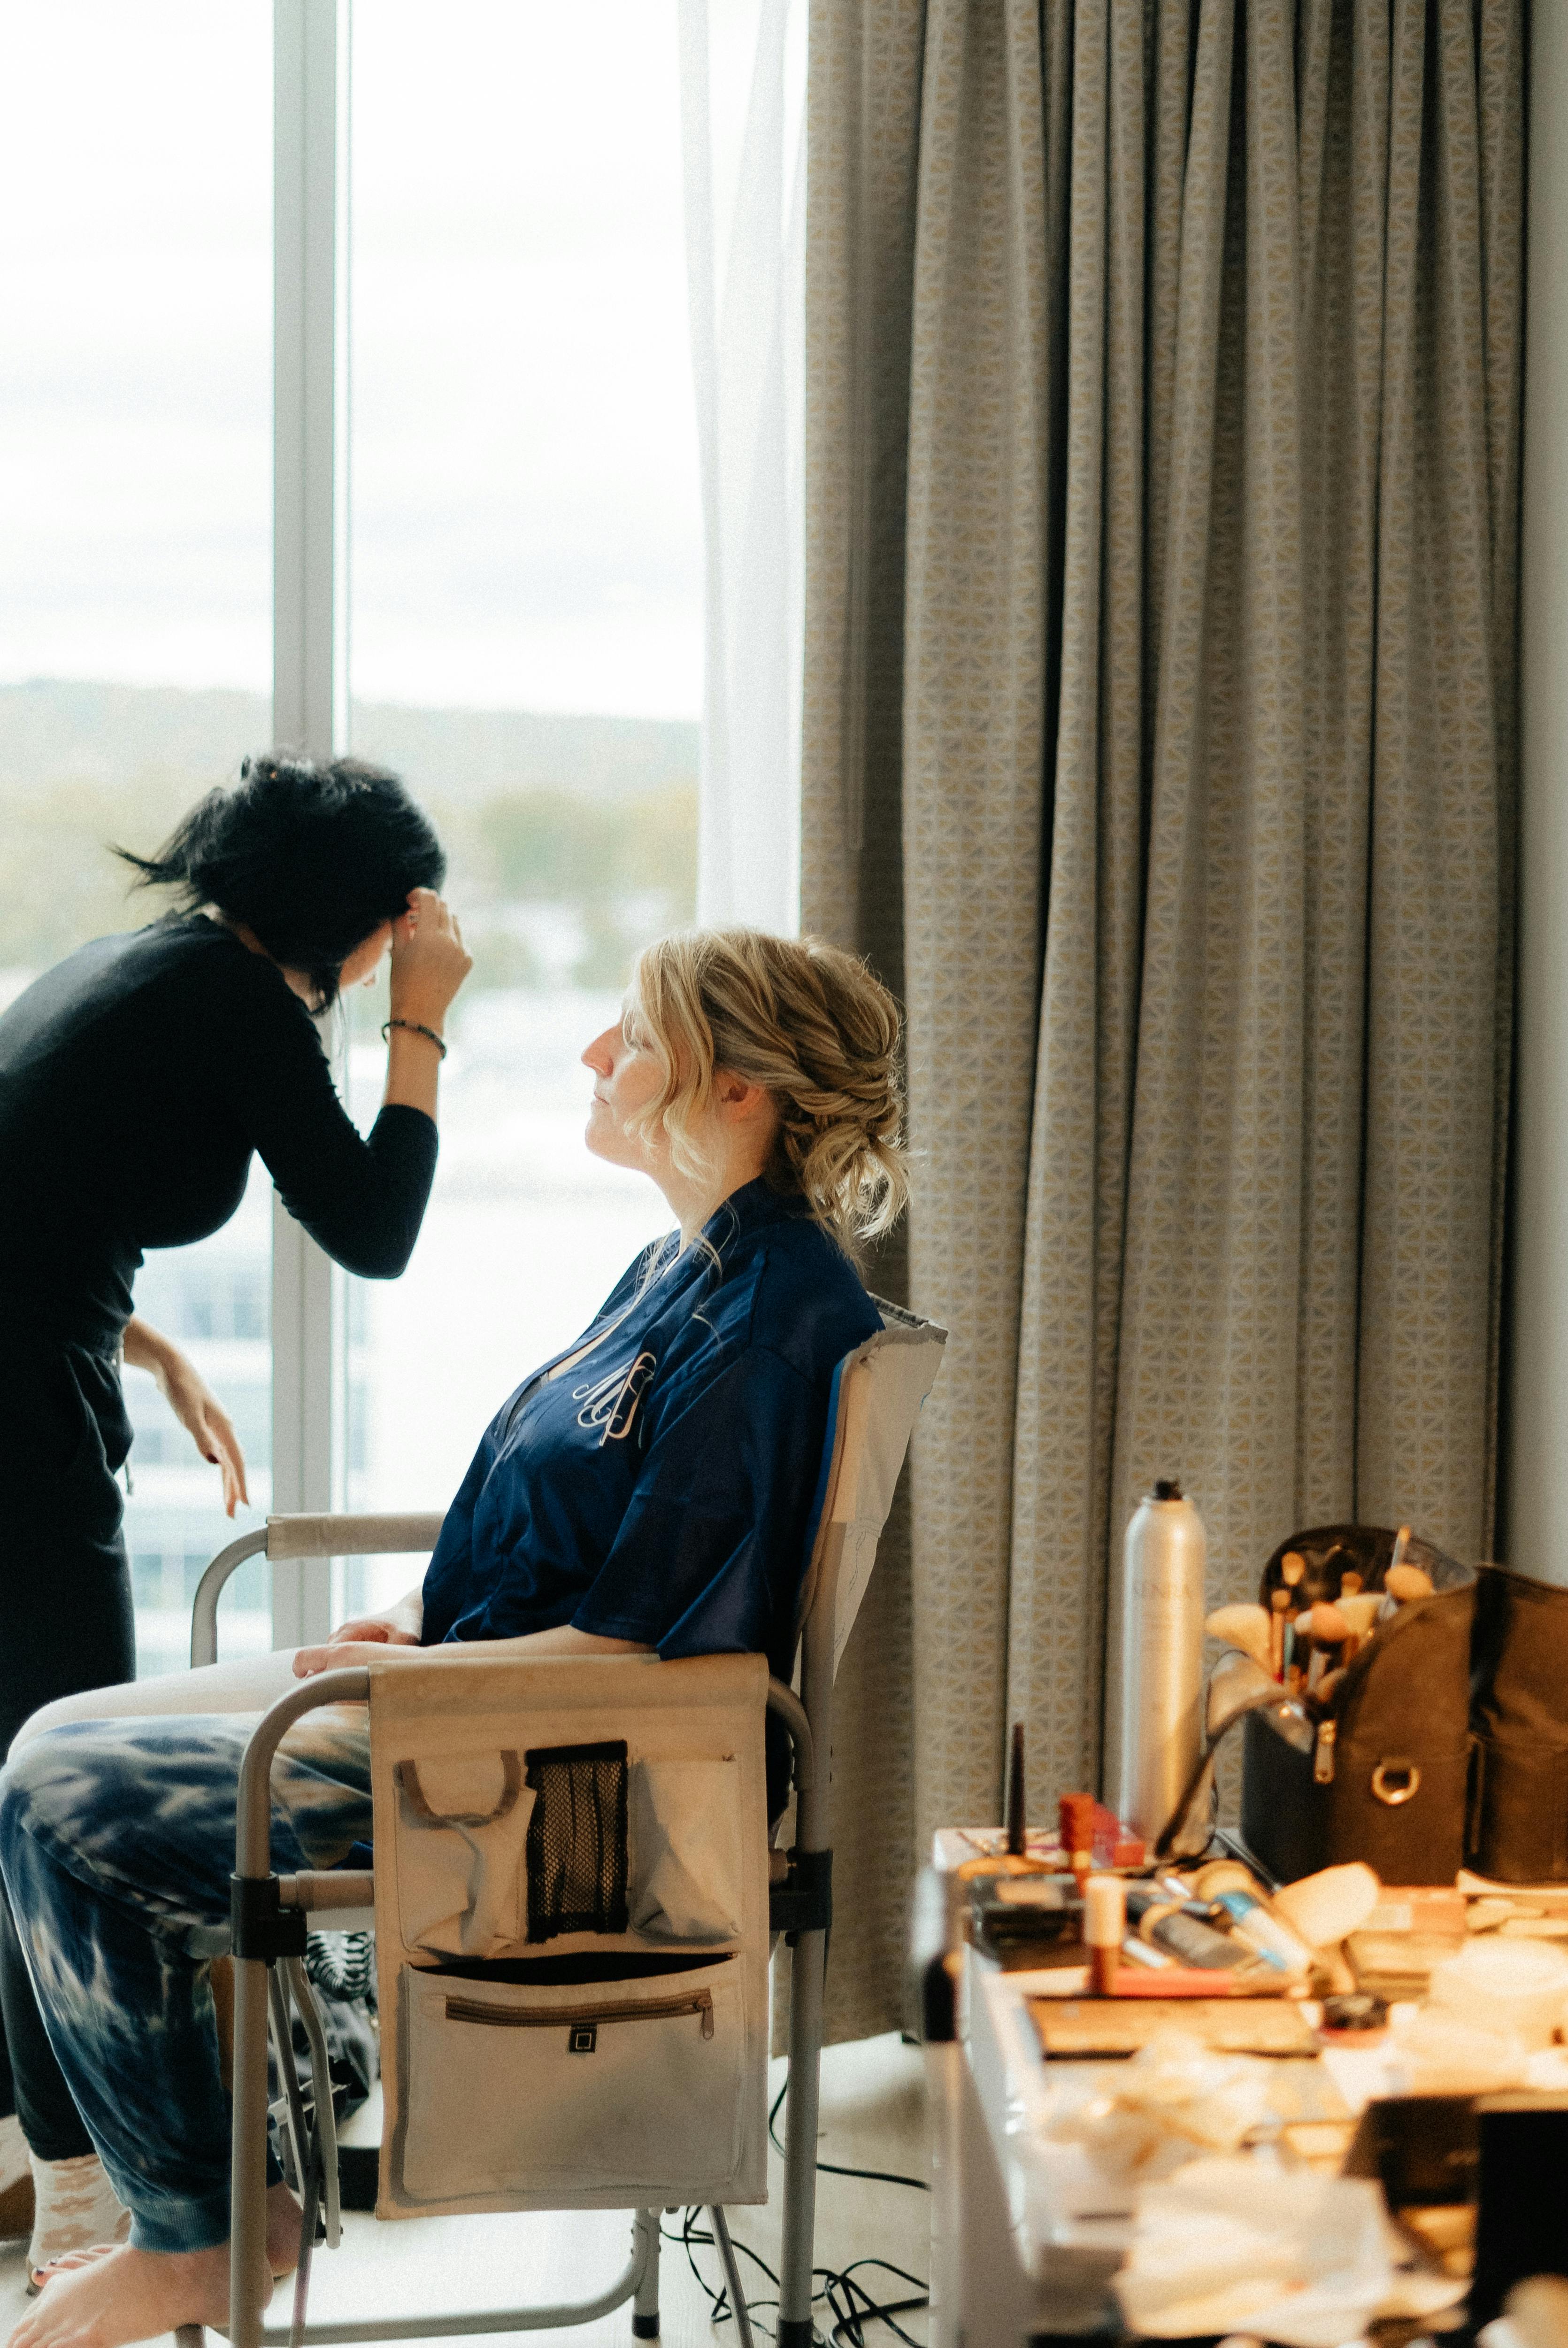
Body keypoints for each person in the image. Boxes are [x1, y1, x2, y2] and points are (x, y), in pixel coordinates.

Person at [0, 926, 907, 2348]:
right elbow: (560, 1515)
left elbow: (664, 1666)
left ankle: (205, 2233)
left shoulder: (782, 1320)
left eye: (634, 1032)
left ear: (741, 1091)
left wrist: (407, 1678)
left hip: (562, 1771)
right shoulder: (671, 1272)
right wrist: (420, 1617)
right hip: (462, 1693)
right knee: (50, 1735)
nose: (596, 1055)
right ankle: (268, 2106)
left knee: (63, 1811)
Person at [0, 754, 472, 2285]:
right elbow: (375, 1230)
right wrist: (420, 1024)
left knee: (26, 1768)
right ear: (370, 916)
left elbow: (35, 1177)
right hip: (15, 1416)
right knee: (49, 1784)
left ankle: (57, 2155)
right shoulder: (239, 1006)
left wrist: (142, 1339)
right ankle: (82, 2186)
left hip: (33, 1372)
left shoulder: (145, 965)